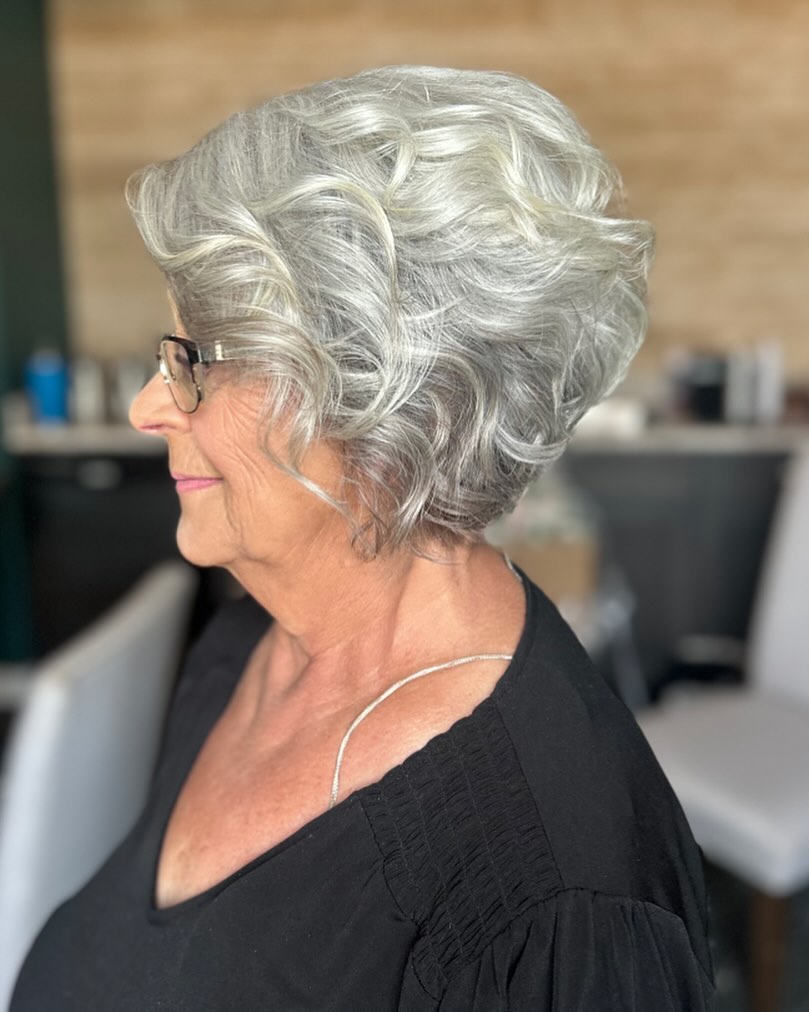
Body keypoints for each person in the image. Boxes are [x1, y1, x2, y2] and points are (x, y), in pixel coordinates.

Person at [11, 66, 714, 1010]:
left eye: (194, 365)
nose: (148, 407)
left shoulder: (555, 906)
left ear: (388, 402)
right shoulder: (244, 644)